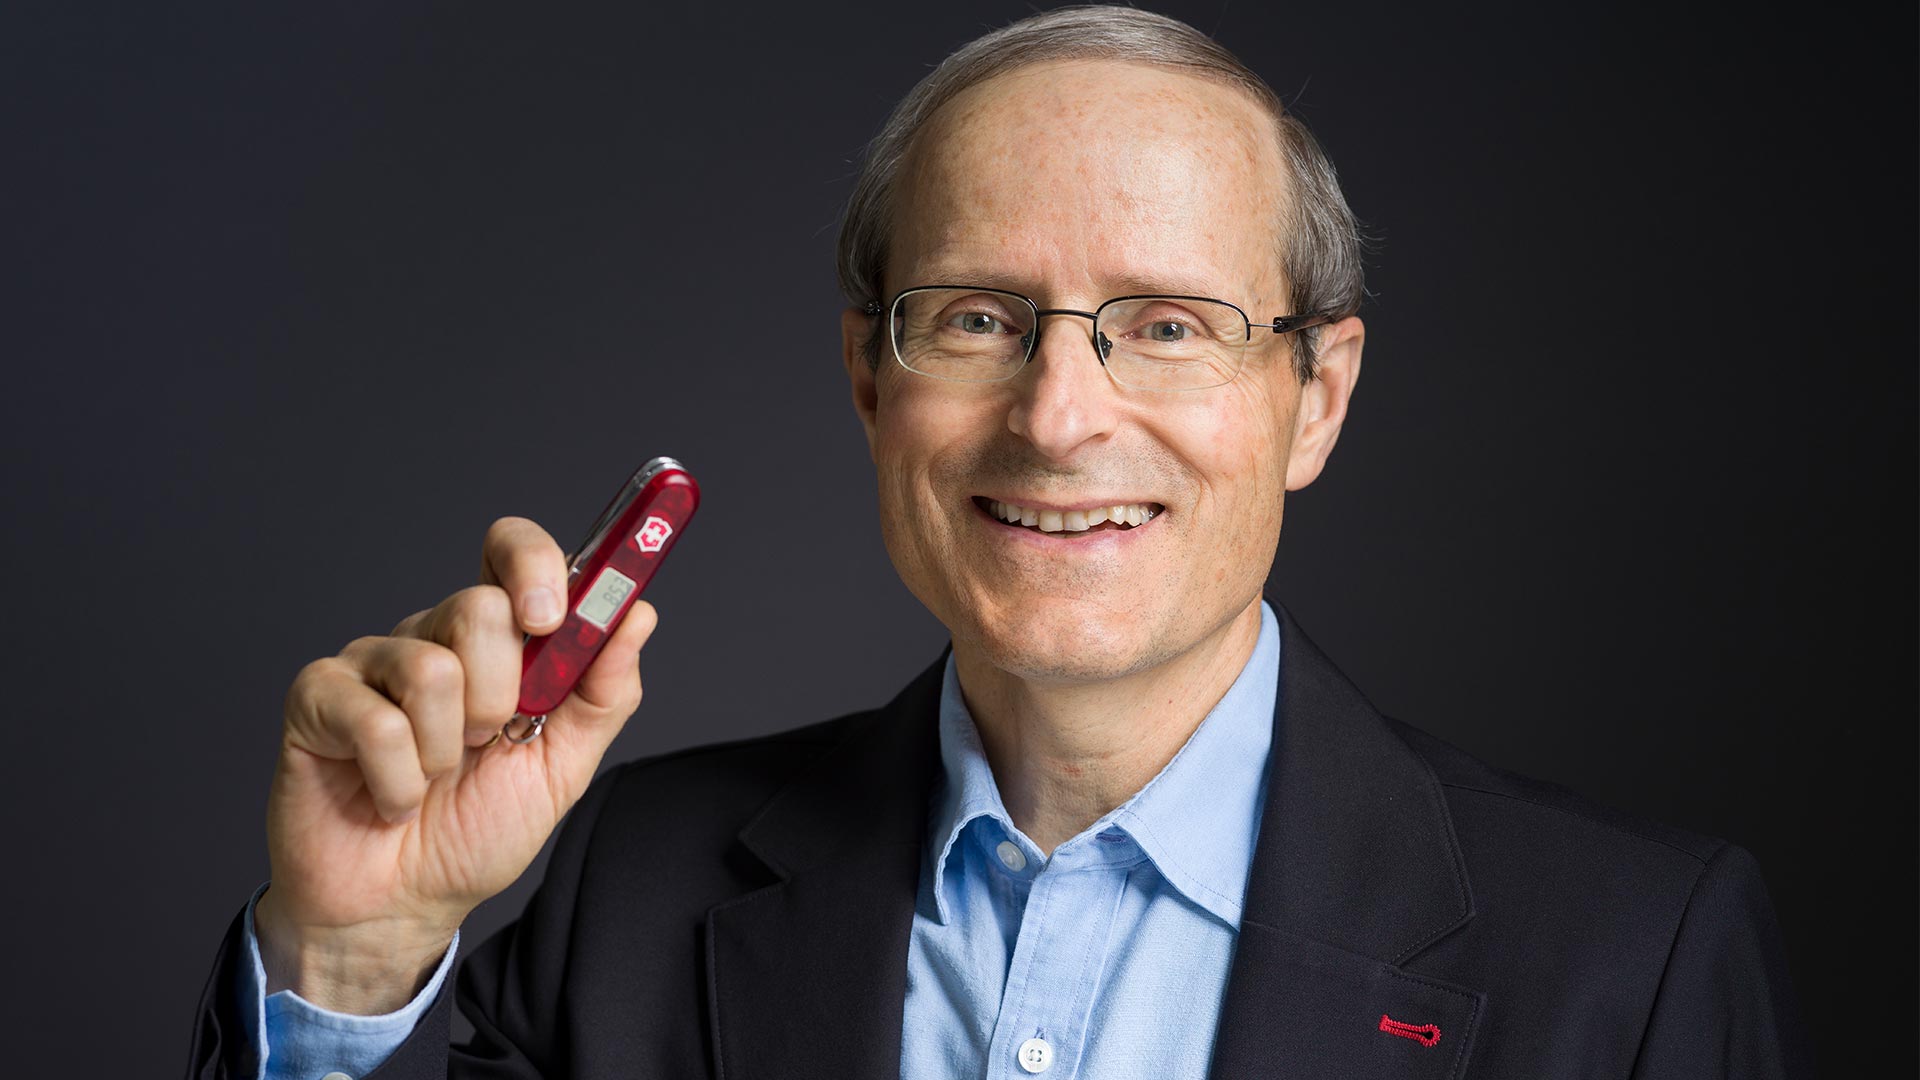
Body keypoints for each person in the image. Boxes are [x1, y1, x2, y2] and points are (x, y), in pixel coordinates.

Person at [186, 7, 1810, 1078]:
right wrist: (349, 948)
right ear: (869, 378)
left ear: (1315, 399)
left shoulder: (1632, 963)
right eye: (977, 318)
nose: (1058, 416)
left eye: (1167, 325)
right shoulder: (628, 893)